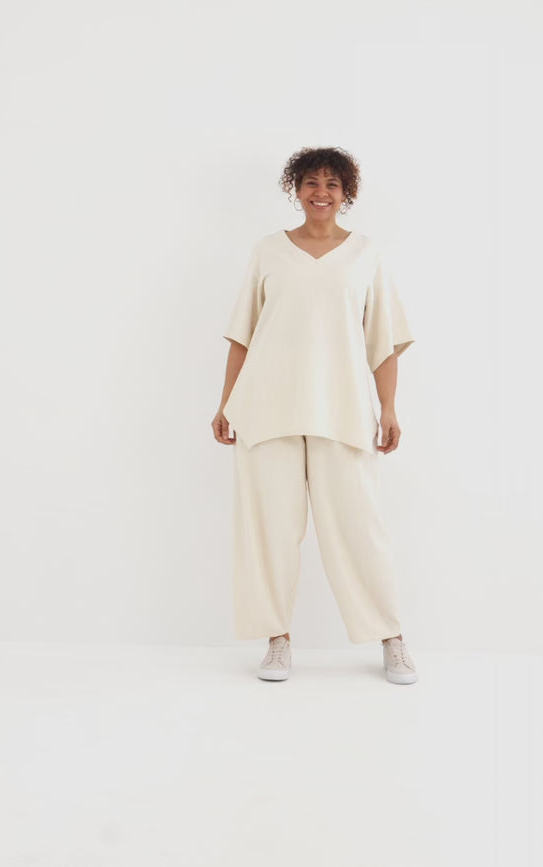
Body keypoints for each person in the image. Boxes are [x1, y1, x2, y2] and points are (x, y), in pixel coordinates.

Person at [211, 146, 418, 685]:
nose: (320, 193)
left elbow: (383, 342)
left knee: (358, 527)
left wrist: (388, 407)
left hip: (341, 409)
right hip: (266, 408)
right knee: (271, 531)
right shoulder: (268, 251)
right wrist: (226, 402)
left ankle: (392, 637)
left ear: (346, 193)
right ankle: (277, 640)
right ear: (296, 189)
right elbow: (242, 335)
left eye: (331, 184)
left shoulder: (365, 255)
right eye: (311, 183)